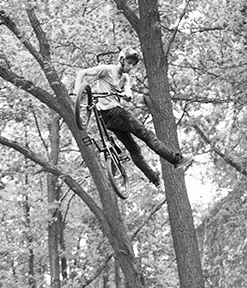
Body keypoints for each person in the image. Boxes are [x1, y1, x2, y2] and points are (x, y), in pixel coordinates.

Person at [71, 47, 192, 187]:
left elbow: (128, 90)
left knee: (134, 150)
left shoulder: (125, 77)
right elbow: (82, 73)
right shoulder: (106, 70)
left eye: (133, 65)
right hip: (115, 113)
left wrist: (128, 95)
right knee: (148, 136)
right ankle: (176, 160)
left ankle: (154, 179)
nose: (130, 67)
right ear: (121, 60)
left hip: (108, 120)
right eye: (129, 63)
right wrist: (77, 90)